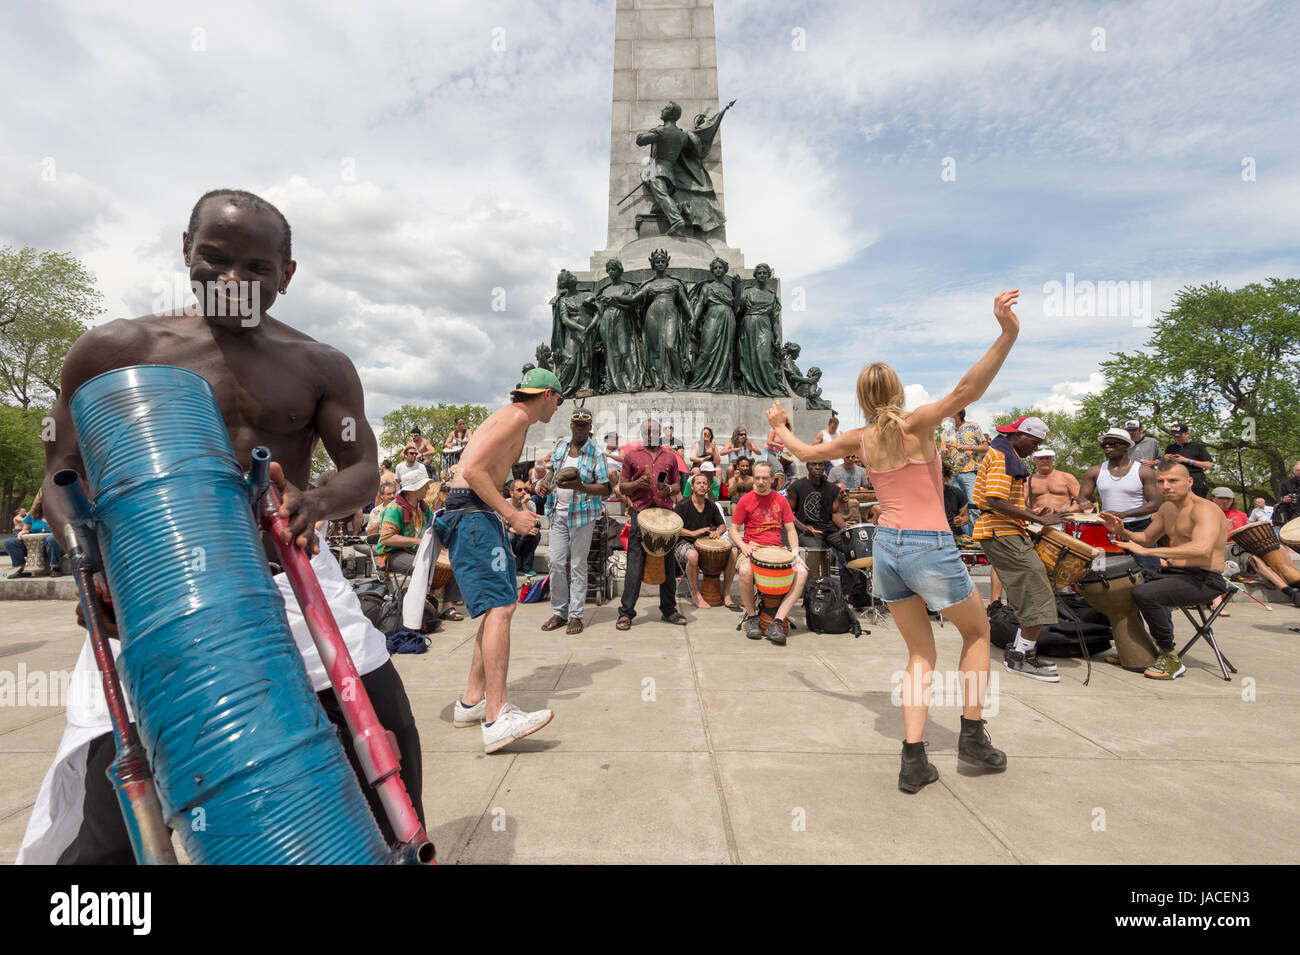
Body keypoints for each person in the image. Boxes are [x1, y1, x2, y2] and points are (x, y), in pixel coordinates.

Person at [20, 188, 423, 863]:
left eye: (257, 269)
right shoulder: (116, 349)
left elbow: (361, 466)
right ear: (185, 251)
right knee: (115, 798)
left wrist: (314, 502)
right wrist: (90, 567)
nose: (232, 282)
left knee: (385, 743)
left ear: (287, 276)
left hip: (290, 580)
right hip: (149, 597)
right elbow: (60, 476)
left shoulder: (319, 365)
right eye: (213, 259)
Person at [770, 290, 1028, 792]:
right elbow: (966, 390)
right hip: (929, 542)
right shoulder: (918, 423)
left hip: (887, 546)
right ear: (897, 393)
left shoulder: (859, 440)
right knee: (976, 636)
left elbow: (803, 450)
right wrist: (1007, 332)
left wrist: (780, 426)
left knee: (919, 654)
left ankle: (914, 759)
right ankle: (972, 736)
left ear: (863, 399)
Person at [441, 367, 559, 752]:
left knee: (499, 607)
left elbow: (484, 472)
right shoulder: (518, 416)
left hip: (477, 514)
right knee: (502, 607)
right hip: (473, 515)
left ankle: (471, 701)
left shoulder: (513, 419)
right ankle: (497, 717)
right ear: (545, 394)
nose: (558, 405)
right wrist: (511, 515)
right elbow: (470, 471)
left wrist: (510, 503)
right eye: (558, 398)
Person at [1099, 462, 1230, 680]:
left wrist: (1150, 553)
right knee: (1119, 586)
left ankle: (1169, 656)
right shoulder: (1167, 508)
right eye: (1161, 481)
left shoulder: (1205, 509)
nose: (1166, 486)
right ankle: (1138, 650)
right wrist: (1122, 530)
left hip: (1205, 579)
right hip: (1176, 575)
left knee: (1146, 594)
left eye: (1173, 480)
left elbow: (1201, 548)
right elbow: (1147, 538)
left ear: (1189, 482)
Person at [972, 415, 1073, 683]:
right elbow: (994, 500)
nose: (1036, 449)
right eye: (1035, 443)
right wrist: (1040, 519)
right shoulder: (1003, 458)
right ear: (1019, 436)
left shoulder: (1004, 454)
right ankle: (1020, 656)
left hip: (1003, 530)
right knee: (1036, 589)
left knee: (1034, 589)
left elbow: (1000, 500)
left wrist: (1030, 512)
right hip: (1001, 532)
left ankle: (1022, 651)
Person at [537, 408, 612, 635]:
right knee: (556, 563)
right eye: (576, 424)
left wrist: (580, 486)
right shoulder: (560, 446)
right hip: (557, 512)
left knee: (578, 565)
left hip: (582, 515)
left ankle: (576, 614)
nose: (580, 428)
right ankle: (560, 611)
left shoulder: (596, 452)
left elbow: (605, 488)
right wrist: (545, 483)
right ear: (571, 425)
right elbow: (552, 472)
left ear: (590, 428)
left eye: (584, 425)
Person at [616, 418, 688, 629]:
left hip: (664, 516)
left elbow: (677, 486)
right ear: (642, 434)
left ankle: (669, 609)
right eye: (647, 431)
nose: (651, 435)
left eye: (654, 431)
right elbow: (622, 487)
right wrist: (637, 483)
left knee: (668, 563)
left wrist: (667, 490)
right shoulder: (632, 456)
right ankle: (626, 612)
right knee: (635, 564)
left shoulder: (670, 457)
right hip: (641, 514)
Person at [730, 461, 807, 644]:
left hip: (777, 550)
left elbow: (790, 530)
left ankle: (778, 621)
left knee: (802, 573)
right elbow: (733, 530)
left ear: (773, 479)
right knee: (745, 571)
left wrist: (795, 552)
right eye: (757, 478)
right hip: (752, 548)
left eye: (765, 478)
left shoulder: (781, 500)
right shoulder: (745, 500)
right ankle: (752, 617)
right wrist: (744, 547)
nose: (761, 481)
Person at [1076, 429, 1162, 573]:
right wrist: (1084, 502)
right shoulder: (1095, 471)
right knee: (1104, 575)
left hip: (1140, 529)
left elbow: (1155, 504)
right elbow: (1082, 496)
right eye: (1104, 445)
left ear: (1127, 446)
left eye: (1113, 444)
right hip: (1108, 529)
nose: (1108, 448)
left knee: (1149, 574)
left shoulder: (1143, 471)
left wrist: (1122, 514)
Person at [675, 473, 737, 610]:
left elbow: (721, 525)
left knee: (733, 551)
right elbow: (674, 528)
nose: (702, 485)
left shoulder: (711, 505)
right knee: (692, 555)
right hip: (684, 543)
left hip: (705, 543)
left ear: (708, 487)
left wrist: (717, 532)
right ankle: (696, 594)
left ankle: (727, 594)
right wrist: (692, 533)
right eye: (698, 483)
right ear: (692, 486)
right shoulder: (682, 505)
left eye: (704, 483)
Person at [785, 460, 846, 579]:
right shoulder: (796, 487)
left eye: (821, 464)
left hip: (829, 530)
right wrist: (802, 527)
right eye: (814, 464)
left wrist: (847, 530)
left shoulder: (832, 488)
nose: (817, 467)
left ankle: (852, 589)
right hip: (807, 530)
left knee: (851, 547)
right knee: (816, 552)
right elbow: (787, 513)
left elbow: (835, 513)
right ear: (808, 466)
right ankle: (816, 589)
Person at [942, 408, 989, 535]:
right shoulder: (946, 432)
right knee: (958, 508)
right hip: (953, 475)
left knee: (974, 506)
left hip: (971, 472)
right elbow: (944, 456)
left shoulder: (973, 426)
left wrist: (967, 447)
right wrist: (943, 454)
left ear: (958, 412)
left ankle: (980, 538)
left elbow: (985, 447)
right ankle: (966, 538)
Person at [5, 492, 65, 578]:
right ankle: (24, 568)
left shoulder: (61, 513)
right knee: (9, 542)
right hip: (33, 546)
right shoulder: (32, 515)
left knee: (52, 538)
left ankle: (55, 568)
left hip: (55, 545)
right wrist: (22, 532)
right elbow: (25, 529)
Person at [1163, 423, 1214, 498]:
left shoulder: (1198, 446)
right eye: (1174, 436)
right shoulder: (1170, 447)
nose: (1176, 438)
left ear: (1187, 433)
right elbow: (1165, 467)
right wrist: (1165, 459)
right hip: (1176, 481)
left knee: (1196, 507)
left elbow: (1209, 465)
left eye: (1179, 435)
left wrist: (1188, 460)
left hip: (1196, 481)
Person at [1027, 449, 1080, 514]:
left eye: (1048, 458)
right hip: (1038, 520)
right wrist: (1032, 512)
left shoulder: (1067, 477)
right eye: (1041, 458)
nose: (1045, 461)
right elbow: (1019, 503)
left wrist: (1064, 511)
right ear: (1034, 460)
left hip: (1062, 520)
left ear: (1053, 459)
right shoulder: (1028, 481)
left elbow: (1082, 503)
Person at [506, 479, 540, 575]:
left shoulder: (530, 504)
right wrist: (510, 529)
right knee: (509, 536)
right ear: (511, 493)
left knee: (535, 534)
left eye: (525, 489)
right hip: (509, 538)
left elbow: (531, 524)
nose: (524, 492)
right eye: (519, 490)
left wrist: (523, 504)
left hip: (522, 539)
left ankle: (525, 567)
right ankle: (509, 567)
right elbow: (499, 523)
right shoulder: (504, 504)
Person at [1272, 461, 1300, 528]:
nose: (1299, 472)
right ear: (1294, 471)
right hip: (1293, 517)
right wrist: (1284, 500)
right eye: (1298, 470)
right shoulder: (1286, 483)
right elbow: (1282, 498)